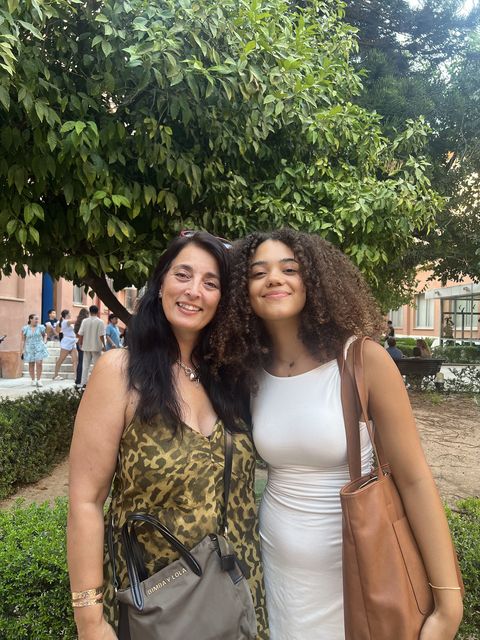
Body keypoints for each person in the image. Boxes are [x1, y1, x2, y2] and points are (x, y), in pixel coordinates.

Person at [213, 229, 463, 640]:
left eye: (289, 268)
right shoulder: (249, 373)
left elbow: (416, 479)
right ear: (243, 292)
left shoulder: (362, 360)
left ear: (314, 280)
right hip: (279, 574)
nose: (274, 278)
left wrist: (449, 602)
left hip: (359, 571)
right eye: (258, 273)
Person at [67, 232, 268, 640]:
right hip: (155, 602)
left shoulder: (231, 378)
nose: (194, 291)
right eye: (183, 275)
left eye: (211, 283)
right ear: (160, 284)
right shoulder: (121, 372)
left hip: (239, 595)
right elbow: (85, 501)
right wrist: (89, 620)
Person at [77, 305, 105, 387]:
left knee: (85, 366)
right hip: (96, 346)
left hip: (86, 346)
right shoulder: (100, 322)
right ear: (98, 312)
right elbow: (101, 335)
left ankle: (83, 383)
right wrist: (104, 345)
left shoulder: (85, 321)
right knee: (97, 365)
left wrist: (80, 343)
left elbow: (81, 334)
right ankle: (97, 382)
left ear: (89, 311)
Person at [20, 314, 49, 387]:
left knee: (39, 363)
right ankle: (33, 380)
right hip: (29, 348)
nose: (37, 321)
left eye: (37, 319)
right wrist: (22, 350)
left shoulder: (41, 327)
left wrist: (45, 342)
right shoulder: (25, 329)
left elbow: (45, 335)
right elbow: (23, 340)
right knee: (31, 364)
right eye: (35, 319)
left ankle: (39, 380)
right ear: (30, 319)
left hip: (39, 347)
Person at [53, 309, 79, 380]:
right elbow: (75, 321)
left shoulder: (66, 322)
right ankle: (55, 375)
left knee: (75, 360)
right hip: (66, 342)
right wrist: (82, 317)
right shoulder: (65, 321)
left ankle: (76, 376)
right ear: (66, 315)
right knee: (61, 359)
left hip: (73, 341)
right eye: (69, 314)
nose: (70, 315)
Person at [73, 308, 89, 388]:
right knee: (84, 362)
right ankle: (82, 380)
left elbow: (76, 332)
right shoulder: (86, 322)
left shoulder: (77, 322)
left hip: (78, 342)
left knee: (80, 362)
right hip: (84, 342)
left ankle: (78, 380)